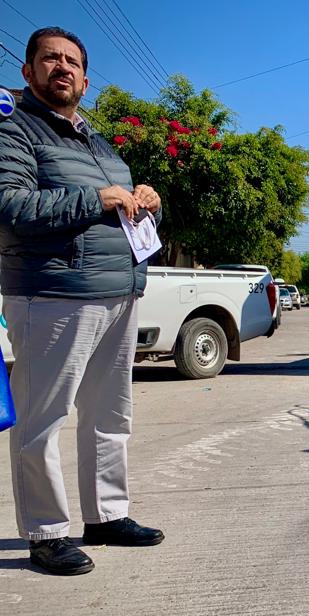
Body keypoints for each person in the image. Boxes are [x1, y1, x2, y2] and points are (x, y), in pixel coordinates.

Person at [0, 27, 165, 576]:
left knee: (110, 415)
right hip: (51, 293)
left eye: (72, 61)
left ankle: (107, 515)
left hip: (119, 292)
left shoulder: (100, 144)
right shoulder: (14, 131)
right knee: (42, 420)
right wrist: (98, 197)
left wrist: (147, 201)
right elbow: (12, 206)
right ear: (29, 72)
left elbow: (124, 214)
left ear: (86, 80)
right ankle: (46, 534)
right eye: (50, 59)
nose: (62, 67)